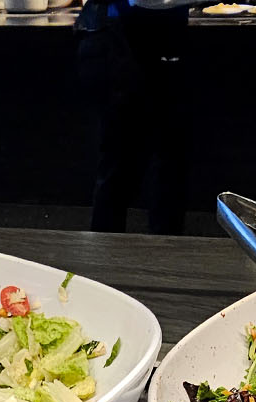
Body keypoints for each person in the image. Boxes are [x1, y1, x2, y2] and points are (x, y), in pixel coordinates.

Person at [75, 0, 193, 235]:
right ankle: (106, 263)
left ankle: (164, 259)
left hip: (140, 36)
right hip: (120, 38)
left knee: (164, 162)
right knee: (124, 165)